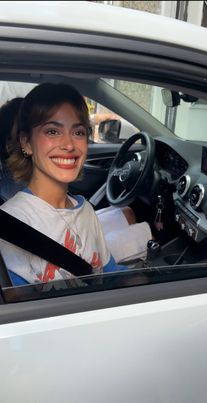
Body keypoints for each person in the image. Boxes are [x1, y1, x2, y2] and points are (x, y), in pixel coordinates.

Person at [0, 83, 135, 285]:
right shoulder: (10, 222)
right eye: (53, 131)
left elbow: (109, 273)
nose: (69, 145)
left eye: (78, 132)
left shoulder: (87, 212)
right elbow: (20, 307)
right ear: (26, 142)